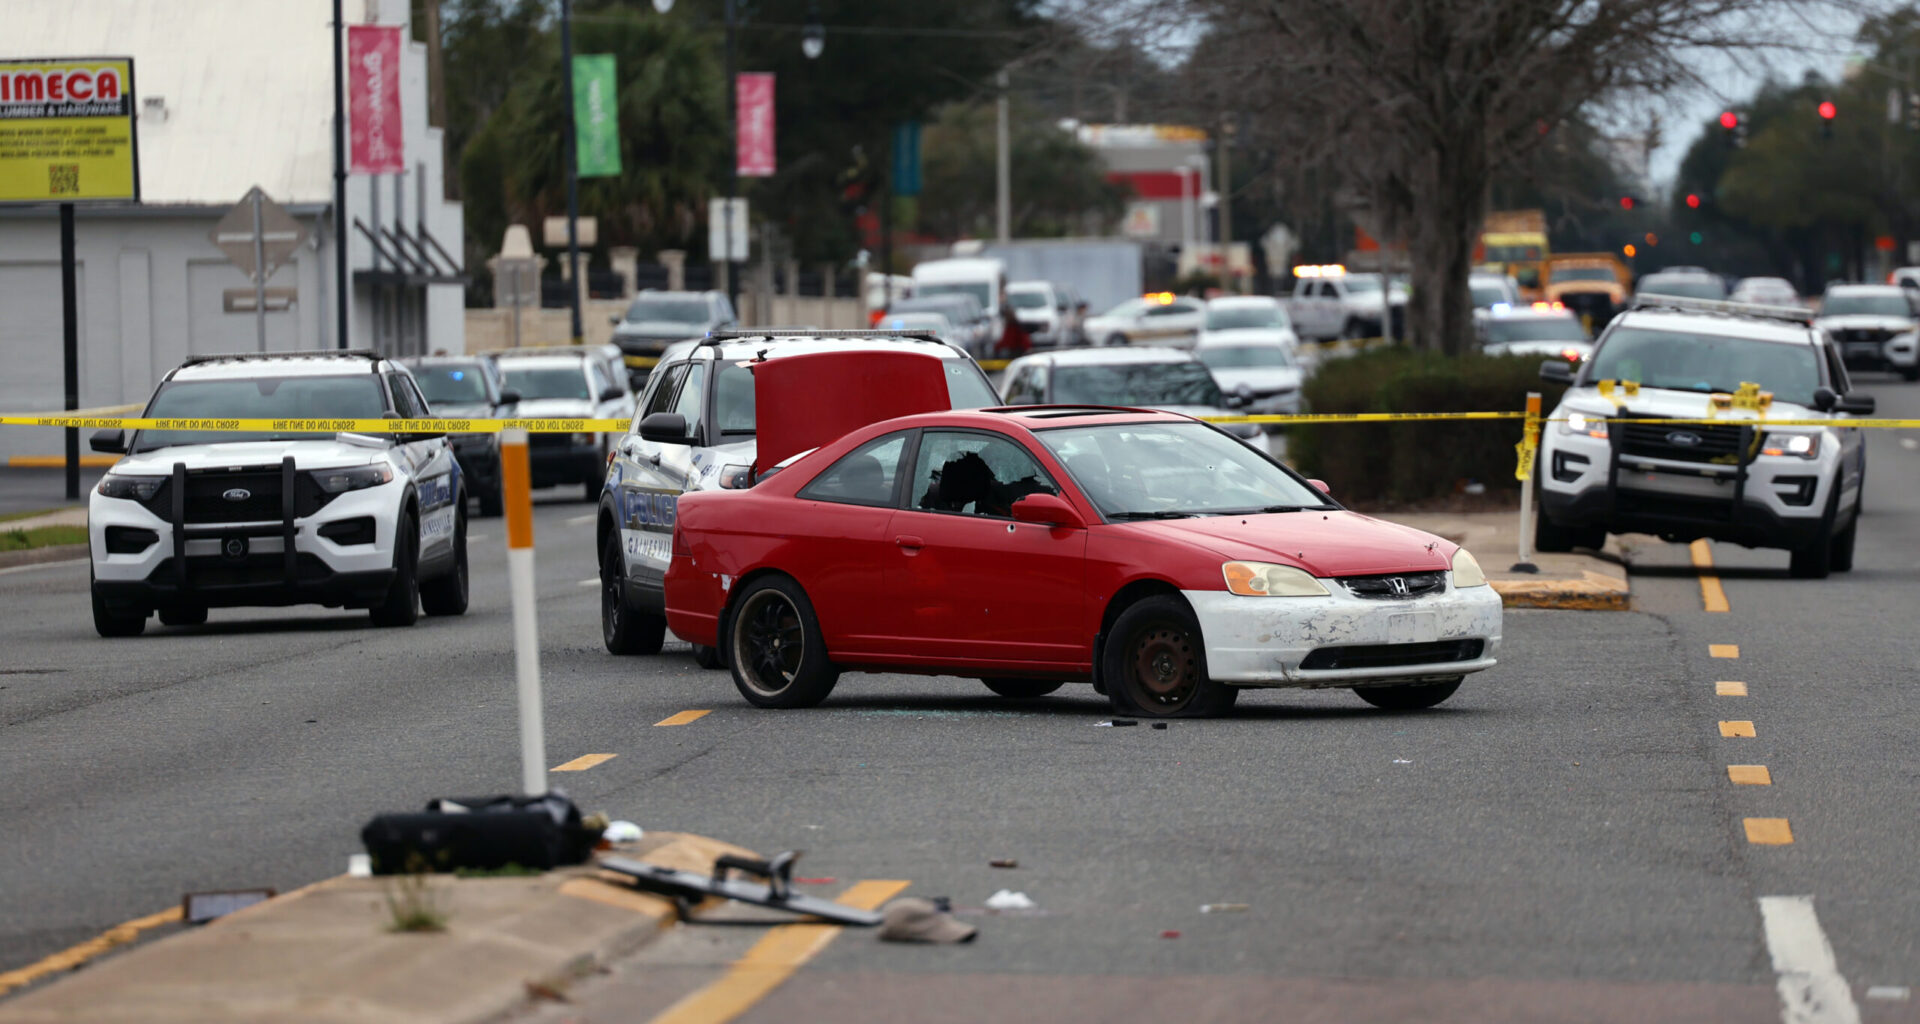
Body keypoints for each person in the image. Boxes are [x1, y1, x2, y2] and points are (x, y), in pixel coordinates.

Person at [995, 291, 1032, 359]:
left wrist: (997, 347)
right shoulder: (1015, 325)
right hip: (1017, 350)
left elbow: (1008, 341)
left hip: (1018, 352)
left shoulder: (1014, 327)